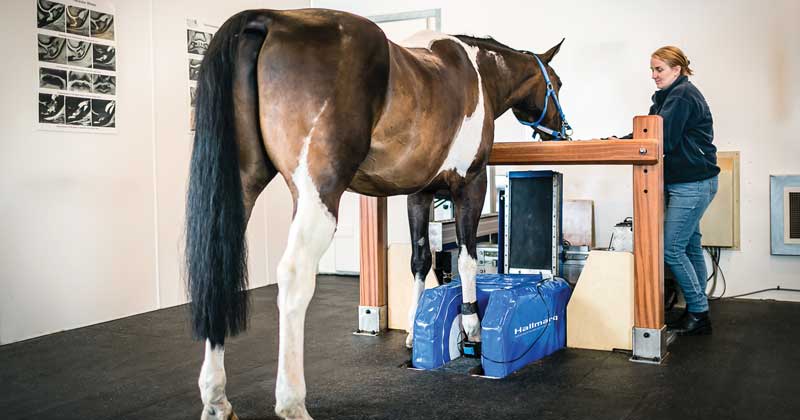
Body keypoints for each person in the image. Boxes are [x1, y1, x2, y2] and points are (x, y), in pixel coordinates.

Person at [615, 46, 720, 335]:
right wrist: (619, 141)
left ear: (678, 69)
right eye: (652, 69)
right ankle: (699, 309)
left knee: (670, 249)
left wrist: (625, 145)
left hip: (693, 184)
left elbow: (665, 139)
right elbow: (649, 132)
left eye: (659, 69)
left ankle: (699, 313)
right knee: (689, 246)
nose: (653, 75)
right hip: (688, 182)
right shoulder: (667, 97)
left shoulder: (683, 95)